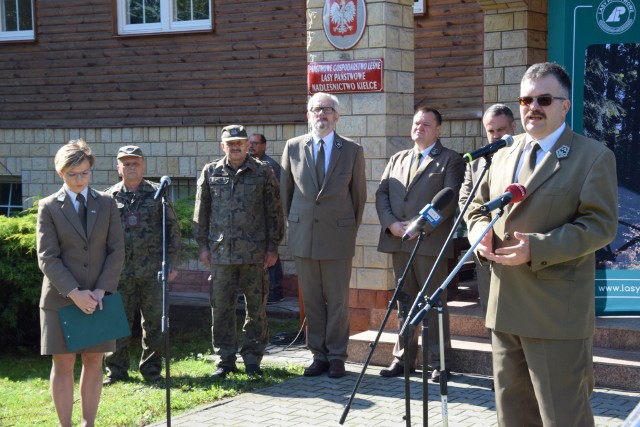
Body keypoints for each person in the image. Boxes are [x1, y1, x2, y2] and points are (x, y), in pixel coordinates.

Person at [465, 62, 618, 426]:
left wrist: (539, 247)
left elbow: (601, 225)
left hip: (555, 313)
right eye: (525, 99)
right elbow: (474, 206)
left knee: (562, 416)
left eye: (544, 99)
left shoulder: (592, 156)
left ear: (565, 106)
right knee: (513, 415)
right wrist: (478, 230)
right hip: (504, 306)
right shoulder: (502, 151)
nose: (533, 107)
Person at [36, 139, 125, 427]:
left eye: (84, 173)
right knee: (63, 365)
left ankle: (89, 423)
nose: (79, 179)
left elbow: (117, 251)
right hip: (61, 299)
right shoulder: (48, 206)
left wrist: (99, 290)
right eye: (72, 174)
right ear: (60, 173)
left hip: (99, 298)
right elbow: (47, 257)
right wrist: (75, 293)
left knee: (94, 361)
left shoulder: (108, 203)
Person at [375, 106, 465, 383]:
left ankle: (441, 363)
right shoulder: (398, 158)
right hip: (400, 242)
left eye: (426, 124)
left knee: (433, 302)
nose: (419, 128)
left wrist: (418, 226)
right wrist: (391, 223)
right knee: (404, 302)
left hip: (429, 243)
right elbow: (382, 194)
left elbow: (448, 201)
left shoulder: (450, 160)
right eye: (416, 123)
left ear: (438, 130)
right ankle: (403, 359)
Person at [280, 92, 367, 379]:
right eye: (316, 110)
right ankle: (318, 355)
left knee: (338, 301)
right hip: (304, 236)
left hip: (337, 239)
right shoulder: (293, 147)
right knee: (314, 301)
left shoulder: (352, 150)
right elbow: (286, 194)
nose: (322, 114)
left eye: (328, 110)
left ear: (337, 117)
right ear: (308, 115)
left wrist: (346, 232)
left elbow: (359, 198)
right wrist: (296, 225)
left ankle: (337, 356)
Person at [193, 124, 284, 379]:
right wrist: (202, 247)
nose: (235, 147)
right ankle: (225, 360)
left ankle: (253, 358)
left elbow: (275, 212)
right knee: (221, 308)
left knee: (256, 308)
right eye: (230, 144)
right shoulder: (210, 171)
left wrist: (272, 247)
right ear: (223, 146)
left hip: (255, 254)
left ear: (248, 145)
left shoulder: (263, 171)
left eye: (240, 143)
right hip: (221, 254)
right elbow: (201, 214)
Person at [103, 145, 182, 385]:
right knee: (116, 323)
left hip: (153, 272)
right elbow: (98, 237)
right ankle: (116, 372)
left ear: (143, 166)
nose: (131, 167)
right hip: (119, 273)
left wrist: (173, 264)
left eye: (135, 163)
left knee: (155, 324)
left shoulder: (158, 194)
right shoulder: (107, 198)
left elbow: (173, 231)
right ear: (118, 168)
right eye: (125, 163)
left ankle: (151, 371)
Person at [458, 104, 517, 315]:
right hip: (485, 247)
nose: (495, 136)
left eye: (500, 130)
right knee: (491, 312)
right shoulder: (476, 162)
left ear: (513, 127)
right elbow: (466, 199)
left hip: (516, 248)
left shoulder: (526, 157)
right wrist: (478, 228)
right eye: (490, 131)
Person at [249, 133, 285, 304]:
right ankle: (258, 292)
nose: (251, 146)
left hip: (267, 219)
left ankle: (276, 291)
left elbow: (277, 196)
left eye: (255, 143)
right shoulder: (248, 164)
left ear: (264, 145)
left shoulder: (270, 165)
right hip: (252, 221)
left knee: (270, 254)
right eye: (249, 143)